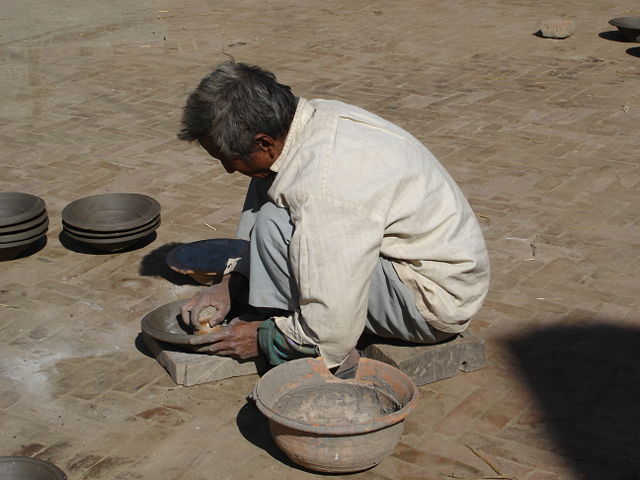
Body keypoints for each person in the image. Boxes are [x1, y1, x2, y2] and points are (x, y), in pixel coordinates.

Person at [177, 61, 490, 373]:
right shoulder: (302, 124)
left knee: (274, 224)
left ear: (263, 143)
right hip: (417, 265)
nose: (228, 169)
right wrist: (233, 282)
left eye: (226, 159)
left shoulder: (325, 187)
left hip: (430, 304)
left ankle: (289, 333)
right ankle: (268, 302)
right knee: (266, 180)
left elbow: (332, 328)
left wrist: (266, 338)